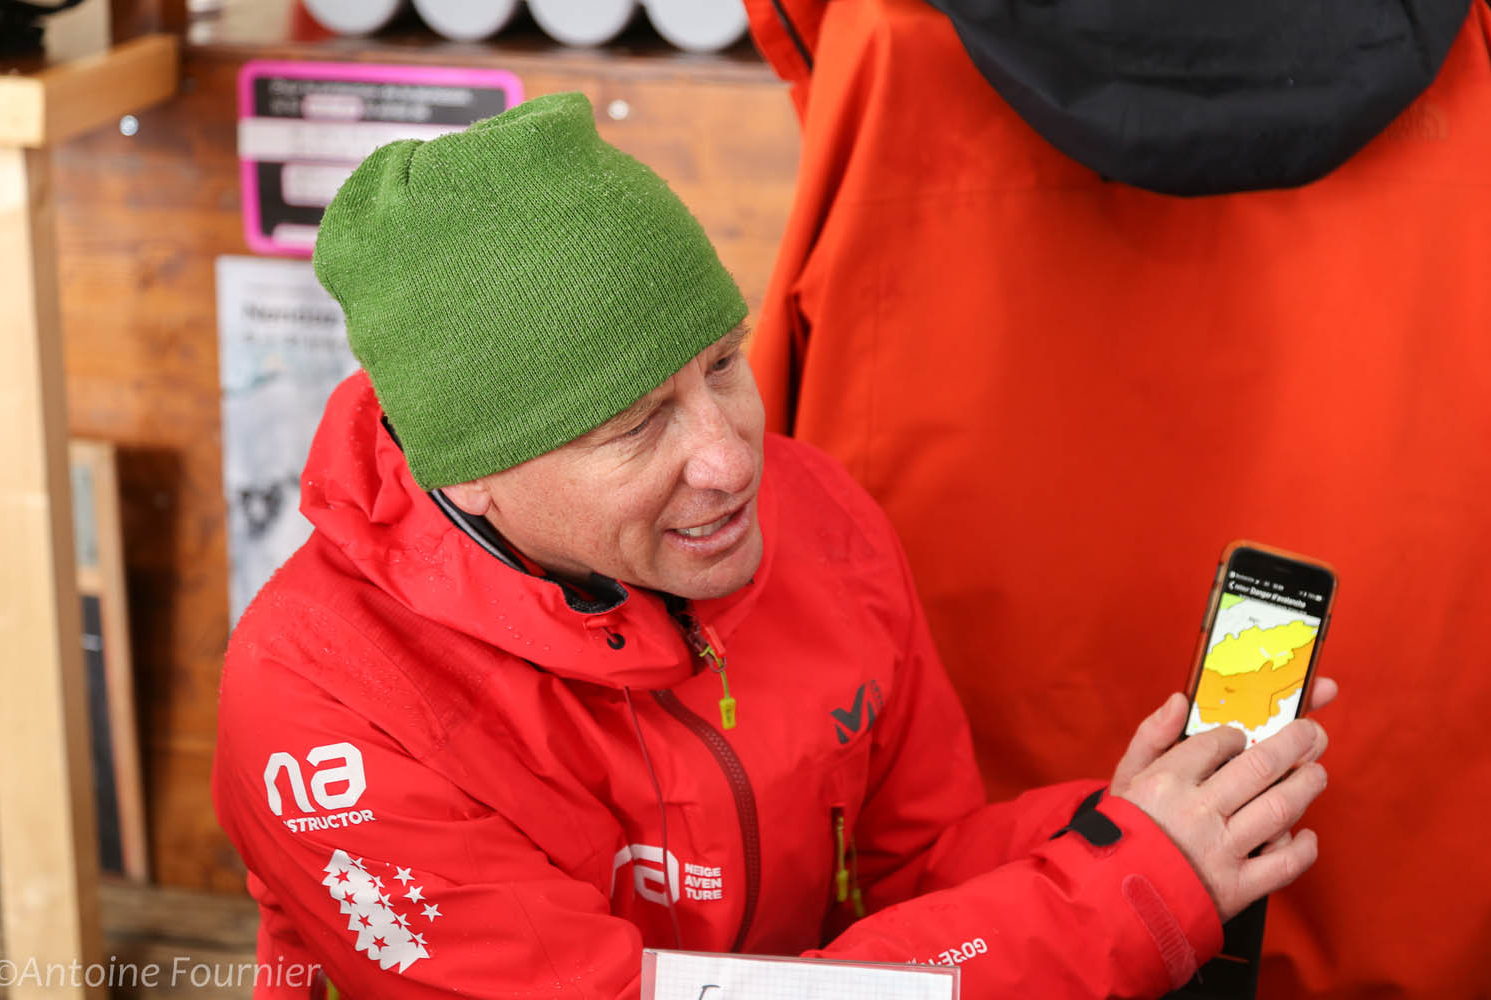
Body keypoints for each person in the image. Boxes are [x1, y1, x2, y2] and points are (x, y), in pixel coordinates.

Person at [211, 92, 1332, 1000]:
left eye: (723, 365)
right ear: (470, 473)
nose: (732, 458)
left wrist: (1111, 831)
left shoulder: (820, 518)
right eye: (636, 427)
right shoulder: (322, 709)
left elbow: (911, 878)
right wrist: (1115, 901)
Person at [743, 0, 1490, 993]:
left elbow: (772, 440)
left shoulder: (884, 38)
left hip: (982, 920)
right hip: (1401, 880)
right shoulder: (1465, 53)